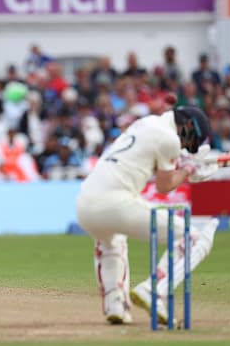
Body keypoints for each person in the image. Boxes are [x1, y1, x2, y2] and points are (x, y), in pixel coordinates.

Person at [76, 104, 220, 325]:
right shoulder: (169, 139)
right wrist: (189, 171)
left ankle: (116, 305)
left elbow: (151, 160)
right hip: (116, 202)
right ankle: (154, 290)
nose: (183, 146)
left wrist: (183, 167)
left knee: (111, 244)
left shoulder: (146, 123)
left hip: (84, 204)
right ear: (188, 126)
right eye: (187, 142)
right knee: (194, 238)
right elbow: (165, 185)